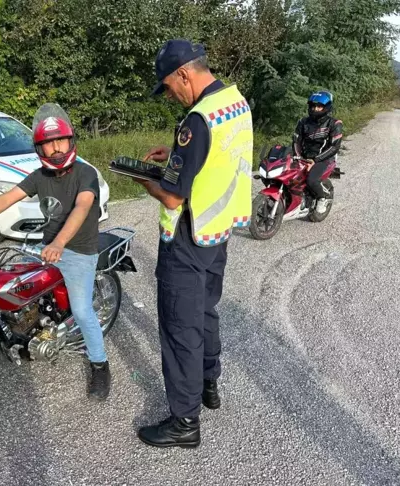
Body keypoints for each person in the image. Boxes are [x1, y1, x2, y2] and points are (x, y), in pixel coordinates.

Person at [0, 103, 111, 401]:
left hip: (78, 250)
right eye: (49, 145)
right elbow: (6, 199)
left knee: (83, 311)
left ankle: (100, 365)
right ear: (39, 150)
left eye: (60, 141)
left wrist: (60, 243)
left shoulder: (85, 174)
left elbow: (83, 207)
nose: (56, 150)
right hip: (47, 247)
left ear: (70, 141)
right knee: (5, 284)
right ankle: (9, 335)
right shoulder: (38, 177)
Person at [133, 39, 253, 448]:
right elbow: (221, 156)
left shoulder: (196, 120)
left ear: (184, 74)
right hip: (218, 233)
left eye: (168, 87)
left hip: (186, 237)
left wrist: (145, 179)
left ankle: (184, 422)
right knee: (205, 311)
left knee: (180, 327)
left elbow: (172, 196)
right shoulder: (236, 103)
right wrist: (176, 155)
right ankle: (208, 384)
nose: (170, 95)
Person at [293, 91, 343, 213]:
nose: (316, 109)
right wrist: (298, 157)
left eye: (319, 106)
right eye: (313, 106)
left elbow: (334, 147)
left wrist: (315, 160)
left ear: (326, 107)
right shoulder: (303, 122)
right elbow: (296, 141)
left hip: (324, 159)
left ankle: (323, 197)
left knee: (311, 180)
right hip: (304, 157)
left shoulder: (335, 124)